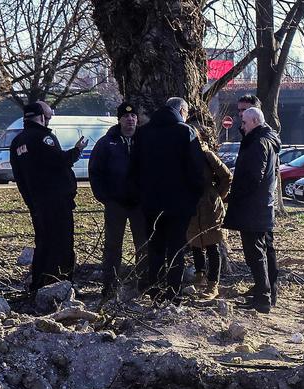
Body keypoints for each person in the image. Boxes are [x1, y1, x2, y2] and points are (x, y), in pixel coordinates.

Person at [129, 96, 207, 302]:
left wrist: (142, 194)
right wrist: (194, 195)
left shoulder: (143, 132)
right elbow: (197, 169)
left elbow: (133, 169)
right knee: (176, 249)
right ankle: (173, 292)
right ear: (182, 111)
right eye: (187, 113)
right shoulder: (185, 132)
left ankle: (154, 290)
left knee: (154, 247)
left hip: (151, 203)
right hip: (179, 204)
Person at [9, 100, 84, 292]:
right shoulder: (43, 138)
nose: (49, 121)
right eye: (48, 117)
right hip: (57, 201)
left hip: (36, 202)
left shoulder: (17, 142)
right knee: (62, 243)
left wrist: (30, 201)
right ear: (42, 117)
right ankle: (60, 284)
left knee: (43, 242)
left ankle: (39, 283)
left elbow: (19, 177)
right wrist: (76, 151)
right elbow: (59, 161)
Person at [223, 106, 280, 314]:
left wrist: (235, 195)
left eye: (244, 123)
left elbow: (253, 176)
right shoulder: (265, 139)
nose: (241, 126)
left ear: (255, 122)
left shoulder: (259, 143)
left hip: (253, 207)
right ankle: (267, 294)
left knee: (255, 253)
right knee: (263, 251)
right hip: (262, 206)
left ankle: (262, 297)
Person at [89, 101, 146, 300]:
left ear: (137, 119)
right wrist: (105, 197)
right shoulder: (107, 142)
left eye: (133, 116)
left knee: (144, 245)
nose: (130, 120)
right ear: (119, 119)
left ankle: (143, 286)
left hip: (140, 204)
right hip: (116, 204)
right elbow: (95, 172)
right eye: (126, 116)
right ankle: (110, 287)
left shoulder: (146, 140)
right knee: (113, 246)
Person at [186, 122, 231, 300]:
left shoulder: (207, 155)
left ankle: (213, 284)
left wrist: (215, 195)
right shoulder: (183, 155)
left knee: (212, 246)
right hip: (191, 206)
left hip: (210, 208)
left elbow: (227, 176)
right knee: (195, 244)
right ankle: (199, 277)